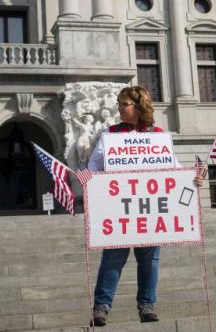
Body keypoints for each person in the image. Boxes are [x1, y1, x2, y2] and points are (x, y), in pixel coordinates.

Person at [87, 86, 203, 327]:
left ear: (139, 106)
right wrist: (91, 180)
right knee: (112, 259)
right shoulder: (110, 134)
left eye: (124, 104)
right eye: (119, 103)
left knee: (150, 261)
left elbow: (173, 168)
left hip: (149, 211)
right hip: (118, 209)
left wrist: (192, 178)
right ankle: (101, 307)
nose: (119, 108)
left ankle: (147, 305)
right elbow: (94, 166)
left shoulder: (158, 136)